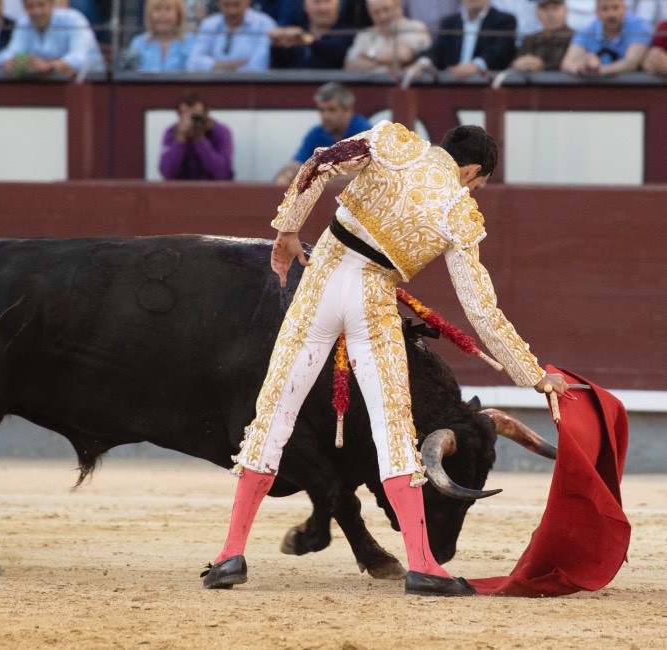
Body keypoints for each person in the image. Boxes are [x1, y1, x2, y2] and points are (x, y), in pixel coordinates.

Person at [200, 120, 570, 595]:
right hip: (373, 297)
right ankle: (422, 565)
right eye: (478, 183)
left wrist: (289, 231)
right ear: (472, 169)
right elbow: (480, 307)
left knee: (274, 414)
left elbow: (318, 163)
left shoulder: (392, 141)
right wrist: (534, 375)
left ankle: (231, 554)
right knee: (392, 428)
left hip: (323, 277)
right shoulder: (458, 210)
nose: (474, 191)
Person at [272, 82, 371, 185]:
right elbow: (297, 164)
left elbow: (365, 174)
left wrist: (322, 182)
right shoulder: (316, 134)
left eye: (331, 110)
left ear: (348, 110)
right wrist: (286, 176)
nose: (325, 116)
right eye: (322, 110)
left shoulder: (365, 133)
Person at [408, 0, 518, 79]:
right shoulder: (449, 22)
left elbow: (501, 50)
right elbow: (437, 49)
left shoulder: (504, 20)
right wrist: (423, 63)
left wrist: (475, 66)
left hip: (486, 85)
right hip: (451, 85)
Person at [0, 0, 105, 77]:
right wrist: (8, 62)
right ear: (24, 8)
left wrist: (49, 66)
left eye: (41, 5)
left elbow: (80, 58)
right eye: (30, 6)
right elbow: (11, 53)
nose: (36, 12)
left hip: (93, 85)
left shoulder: (74, 19)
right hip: (48, 90)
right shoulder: (24, 23)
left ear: (52, 4)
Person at [159, 90, 234, 180]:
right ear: (179, 117)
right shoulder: (172, 132)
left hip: (213, 190)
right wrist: (180, 140)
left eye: (196, 116)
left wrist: (200, 139)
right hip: (181, 191)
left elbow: (222, 173)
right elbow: (167, 173)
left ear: (206, 115)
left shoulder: (220, 131)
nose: (191, 121)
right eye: (186, 116)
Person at [561, 0, 651, 74]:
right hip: (597, 90)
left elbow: (631, 63)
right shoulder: (587, 31)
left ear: (624, 9)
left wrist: (598, 71)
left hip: (631, 90)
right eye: (605, 9)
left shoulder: (639, 26)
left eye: (615, 8)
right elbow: (567, 63)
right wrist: (583, 67)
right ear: (597, 12)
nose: (611, 14)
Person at [186, 0, 276, 71]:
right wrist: (234, 65)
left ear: (248, 1)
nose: (232, 11)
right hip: (213, 87)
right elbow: (193, 63)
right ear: (218, 4)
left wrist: (214, 66)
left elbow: (257, 67)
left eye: (237, 4)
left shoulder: (264, 24)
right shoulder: (209, 24)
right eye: (226, 5)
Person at [343, 0, 431, 73]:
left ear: (399, 8)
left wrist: (369, 53)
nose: (382, 16)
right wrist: (391, 62)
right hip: (371, 87)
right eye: (376, 13)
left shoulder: (415, 27)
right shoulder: (364, 35)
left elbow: (403, 55)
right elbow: (350, 66)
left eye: (386, 10)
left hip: (406, 89)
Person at [269, 0, 354, 69]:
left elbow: (335, 54)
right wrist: (278, 46)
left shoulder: (348, 32)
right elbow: (281, 66)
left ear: (339, 5)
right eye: (316, 2)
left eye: (327, 2)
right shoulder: (297, 30)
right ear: (304, 6)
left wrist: (306, 39)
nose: (322, 8)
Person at [123, 0, 193, 71]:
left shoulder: (191, 42)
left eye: (168, 9)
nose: (163, 14)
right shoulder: (138, 43)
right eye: (157, 9)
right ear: (149, 15)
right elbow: (130, 75)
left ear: (178, 15)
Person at [510, 0, 574, 70]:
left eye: (555, 9)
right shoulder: (530, 39)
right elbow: (515, 61)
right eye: (545, 9)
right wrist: (519, 64)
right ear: (537, 14)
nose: (550, 14)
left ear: (566, 11)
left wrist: (542, 66)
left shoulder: (576, 39)